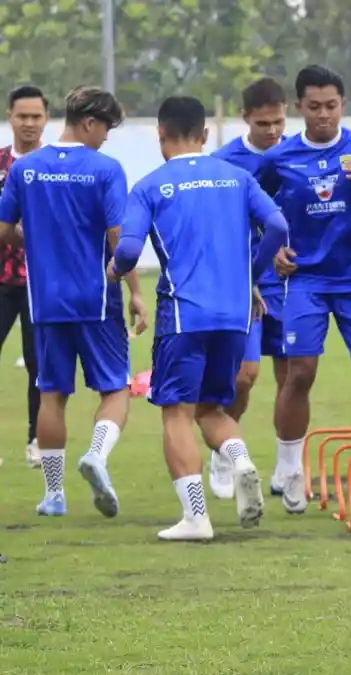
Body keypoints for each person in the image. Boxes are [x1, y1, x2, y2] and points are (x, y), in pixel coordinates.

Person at [110, 96, 287, 540]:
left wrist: (114, 270)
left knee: (176, 412)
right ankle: (241, 461)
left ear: (160, 135)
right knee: (211, 408)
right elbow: (278, 227)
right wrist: (252, 274)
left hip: (183, 316)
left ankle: (195, 517)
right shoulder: (238, 177)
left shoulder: (150, 185)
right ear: (205, 134)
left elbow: (128, 249)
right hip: (234, 315)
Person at [0, 86, 147, 518]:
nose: (106, 138)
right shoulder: (105, 169)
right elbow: (120, 240)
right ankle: (96, 455)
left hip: (45, 301)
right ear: (89, 123)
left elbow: (3, 230)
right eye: (105, 128)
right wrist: (135, 291)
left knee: (51, 395)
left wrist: (31, 238)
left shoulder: (25, 168)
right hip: (96, 299)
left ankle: (53, 495)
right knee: (115, 389)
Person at [261, 65, 351, 514]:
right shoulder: (280, 158)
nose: (323, 115)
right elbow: (254, 209)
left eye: (331, 106)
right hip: (305, 280)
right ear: (299, 106)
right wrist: (273, 250)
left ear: (343, 105)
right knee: (299, 373)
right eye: (314, 106)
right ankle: (290, 471)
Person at [209, 77, 289, 499]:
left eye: (278, 122)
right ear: (245, 118)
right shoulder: (224, 163)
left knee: (294, 377)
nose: (272, 131)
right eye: (263, 123)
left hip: (294, 283)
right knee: (244, 376)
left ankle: (288, 467)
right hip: (246, 284)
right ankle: (224, 449)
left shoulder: (297, 154)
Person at [0, 85, 47, 470]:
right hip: (1, 279)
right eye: (22, 116)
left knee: (38, 363)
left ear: (46, 119)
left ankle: (36, 439)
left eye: (36, 116)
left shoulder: (55, 166)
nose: (29, 123)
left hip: (42, 283)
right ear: (10, 117)